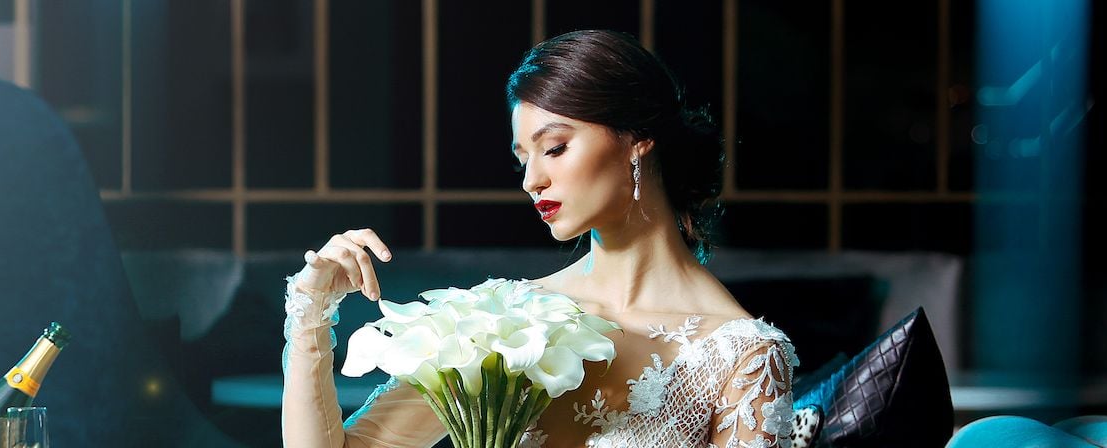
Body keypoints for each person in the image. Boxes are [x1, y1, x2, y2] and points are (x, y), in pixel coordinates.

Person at [280, 30, 798, 447]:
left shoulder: (741, 356)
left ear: (637, 141)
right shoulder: (502, 323)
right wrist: (310, 313)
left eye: (554, 148)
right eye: (522, 159)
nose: (531, 181)